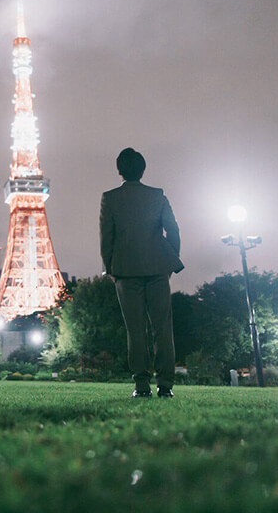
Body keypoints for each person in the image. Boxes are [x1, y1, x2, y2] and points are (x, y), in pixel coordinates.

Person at [99, 148, 184, 398]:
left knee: (135, 330)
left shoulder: (110, 198)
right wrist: (169, 259)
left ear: (119, 171)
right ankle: (166, 385)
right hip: (158, 268)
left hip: (125, 271)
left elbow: (107, 238)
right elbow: (173, 231)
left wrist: (110, 268)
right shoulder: (157, 195)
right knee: (162, 328)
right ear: (143, 169)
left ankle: (142, 385)